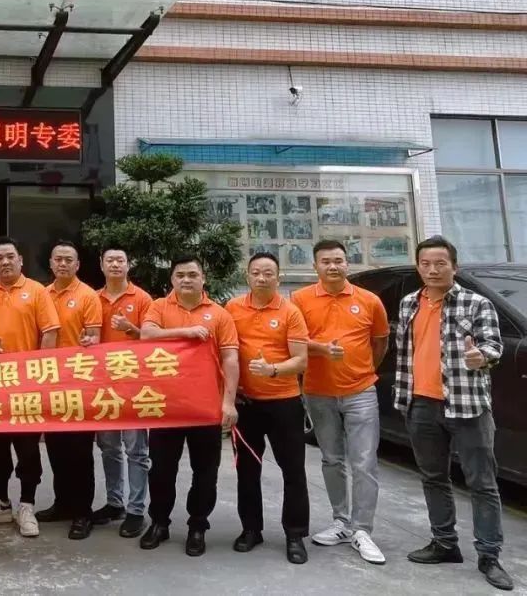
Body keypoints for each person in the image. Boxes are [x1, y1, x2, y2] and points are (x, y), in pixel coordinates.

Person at [395, 236, 512, 591]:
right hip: (420, 403)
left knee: (482, 482)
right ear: (418, 267)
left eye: (440, 263)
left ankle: (489, 555)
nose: (432, 270)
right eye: (425, 264)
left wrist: (481, 357)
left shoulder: (476, 303)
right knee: (433, 477)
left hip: (467, 406)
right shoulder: (408, 303)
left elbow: (493, 345)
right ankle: (444, 543)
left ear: (454, 267)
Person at [292, 239, 389, 565]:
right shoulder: (300, 299)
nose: (332, 266)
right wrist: (321, 350)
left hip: (361, 391)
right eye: (325, 261)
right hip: (318, 392)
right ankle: (341, 522)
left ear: (348, 263)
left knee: (364, 461)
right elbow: (293, 341)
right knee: (332, 459)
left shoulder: (369, 300)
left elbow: (380, 342)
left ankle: (362, 529)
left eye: (338, 260)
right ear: (315, 266)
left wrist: (363, 371)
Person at [139, 255, 239, 556]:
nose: (186, 279)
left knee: (205, 472)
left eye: (192, 274)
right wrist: (186, 332)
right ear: (172, 279)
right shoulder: (159, 306)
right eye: (180, 274)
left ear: (203, 278)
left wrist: (228, 402)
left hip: (205, 407)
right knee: (161, 470)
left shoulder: (219, 314)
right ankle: (159, 522)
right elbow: (147, 334)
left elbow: (230, 358)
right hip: (166, 406)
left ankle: (198, 526)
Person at [0, 236, 60, 538]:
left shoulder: (37, 291)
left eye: (10, 256)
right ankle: (0, 502)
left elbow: (50, 332)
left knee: (28, 449)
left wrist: (39, 373)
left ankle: (27, 505)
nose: (5, 262)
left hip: (27, 385)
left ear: (20, 260)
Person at [225, 252, 310, 564]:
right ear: (247, 276)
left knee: (293, 470)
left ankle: (295, 534)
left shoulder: (290, 312)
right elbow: (224, 352)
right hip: (246, 404)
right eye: (256, 272)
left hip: (284, 403)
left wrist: (272, 369)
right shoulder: (232, 308)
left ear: (279, 277)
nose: (261, 278)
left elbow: (301, 360)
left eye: (268, 273)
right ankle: (251, 529)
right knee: (247, 470)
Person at [39, 240, 101, 540]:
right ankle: (62, 503)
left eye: (68, 260)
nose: (62, 264)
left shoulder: (88, 296)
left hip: (78, 383)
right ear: (51, 263)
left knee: (80, 452)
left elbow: (94, 337)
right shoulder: (42, 294)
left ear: (77, 265)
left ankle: (82, 512)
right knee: (56, 447)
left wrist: (90, 342)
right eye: (58, 259)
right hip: (50, 382)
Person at [93, 246, 154, 539]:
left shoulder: (142, 299)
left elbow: (154, 340)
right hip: (103, 385)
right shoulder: (93, 298)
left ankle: (136, 509)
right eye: (110, 260)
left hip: (134, 386)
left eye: (120, 260)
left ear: (129, 265)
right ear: (101, 265)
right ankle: (114, 502)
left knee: (136, 450)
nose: (115, 264)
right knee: (108, 447)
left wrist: (132, 330)